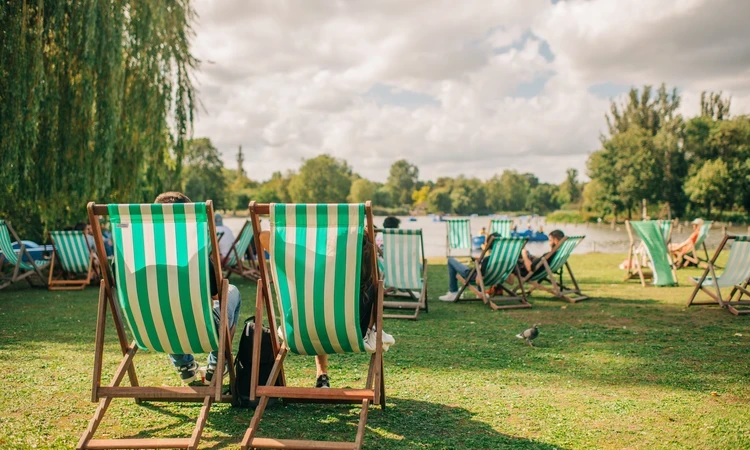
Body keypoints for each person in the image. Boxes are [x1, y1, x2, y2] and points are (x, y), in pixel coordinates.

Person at [153, 192, 242, 385]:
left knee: (165, 314)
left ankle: (184, 365)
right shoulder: (197, 258)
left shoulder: (135, 255)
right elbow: (218, 296)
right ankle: (217, 362)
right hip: (200, 328)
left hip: (153, 329)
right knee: (231, 291)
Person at [439, 233, 500, 302]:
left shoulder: (487, 260)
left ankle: (453, 292)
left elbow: (478, 281)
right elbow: (511, 282)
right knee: (477, 269)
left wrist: (479, 267)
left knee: (451, 260)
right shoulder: (504, 259)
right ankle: (480, 291)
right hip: (490, 278)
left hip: (471, 275)